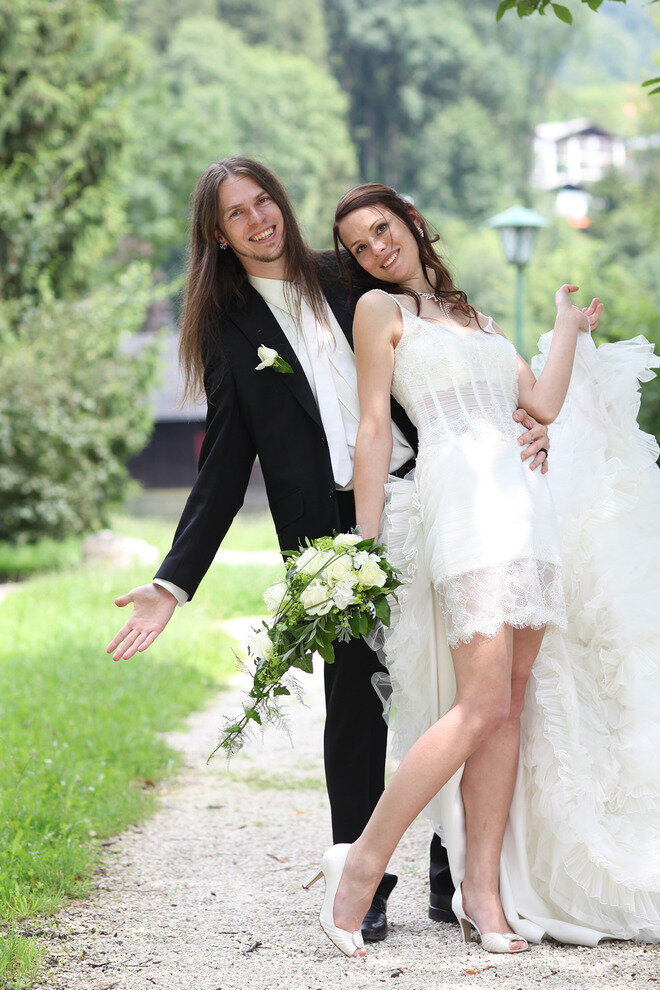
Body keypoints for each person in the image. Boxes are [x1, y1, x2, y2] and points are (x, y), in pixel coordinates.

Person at [106, 157, 553, 941]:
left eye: (264, 201)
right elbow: (223, 466)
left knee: (452, 683)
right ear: (218, 233)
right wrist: (172, 583)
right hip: (327, 532)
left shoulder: (347, 277)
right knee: (355, 703)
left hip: (430, 497)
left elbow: (447, 353)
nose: (258, 219)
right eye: (237, 213)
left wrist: (528, 421)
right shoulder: (226, 328)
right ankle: (361, 874)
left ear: (281, 202)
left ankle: (453, 874)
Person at [301, 182, 660, 958]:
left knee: (509, 706)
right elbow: (373, 428)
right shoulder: (378, 311)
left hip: (527, 508)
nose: (376, 249)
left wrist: (566, 325)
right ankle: (357, 869)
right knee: (479, 704)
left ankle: (484, 895)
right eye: (360, 246)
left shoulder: (477, 319)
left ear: (412, 222)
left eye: (383, 229)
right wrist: (364, 546)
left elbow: (541, 405)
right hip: (462, 506)